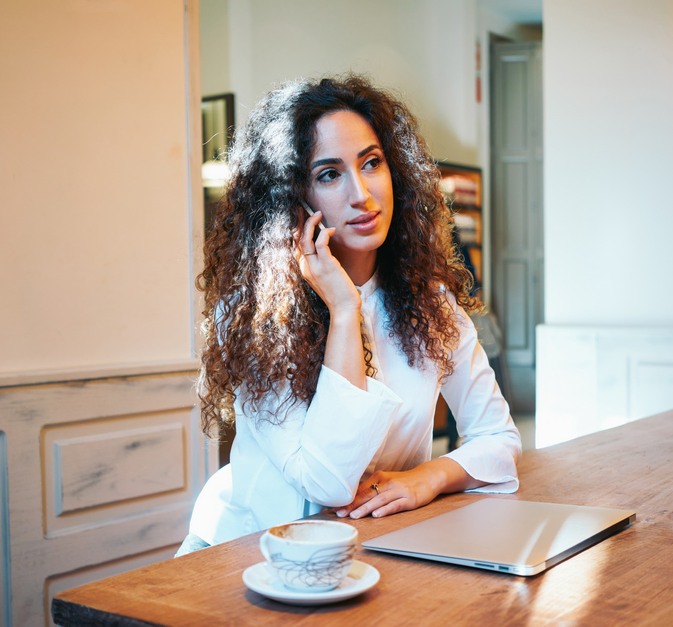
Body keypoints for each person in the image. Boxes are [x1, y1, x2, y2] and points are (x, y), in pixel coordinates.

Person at [178, 76, 521, 555]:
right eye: (329, 174)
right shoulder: (254, 315)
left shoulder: (432, 304)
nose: (362, 193)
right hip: (245, 555)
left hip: (373, 553)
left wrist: (429, 477)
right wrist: (344, 309)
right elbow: (329, 483)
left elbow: (498, 440)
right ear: (292, 200)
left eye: (372, 163)